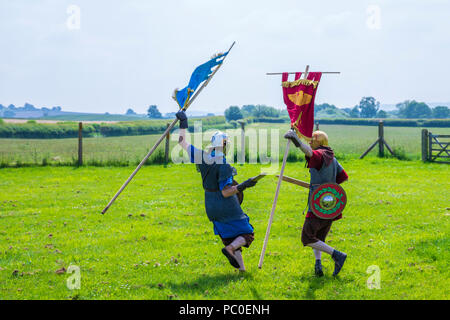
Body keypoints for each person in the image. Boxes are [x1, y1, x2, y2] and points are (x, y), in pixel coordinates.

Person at [175, 110, 257, 272]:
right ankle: (230, 250)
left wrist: (183, 121)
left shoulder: (201, 156)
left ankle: (241, 270)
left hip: (210, 205)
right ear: (225, 144)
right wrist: (243, 185)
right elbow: (226, 192)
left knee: (229, 237)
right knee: (247, 234)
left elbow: (182, 142)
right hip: (226, 206)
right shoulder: (223, 165)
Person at [284, 129, 349, 277]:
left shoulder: (320, 154)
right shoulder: (332, 158)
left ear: (319, 141)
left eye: (312, 139)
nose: (310, 142)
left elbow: (310, 152)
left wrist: (296, 140)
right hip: (329, 205)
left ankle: (337, 255)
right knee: (318, 237)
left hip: (318, 205)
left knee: (307, 238)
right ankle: (318, 264)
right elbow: (343, 177)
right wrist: (326, 186)